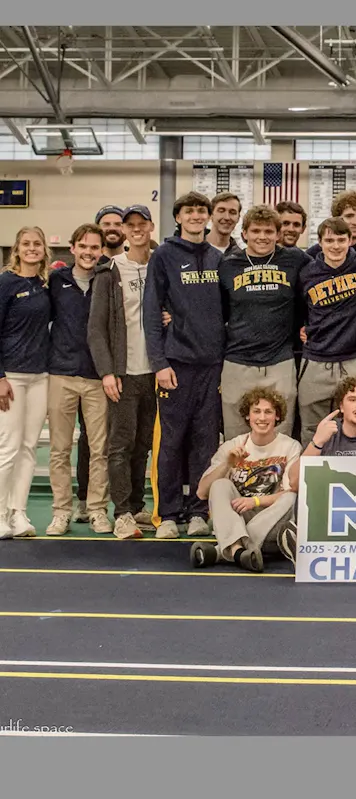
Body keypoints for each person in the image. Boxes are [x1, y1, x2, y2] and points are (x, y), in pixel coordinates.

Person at [144, 191, 224, 540]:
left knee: (205, 442)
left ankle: (198, 512)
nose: (195, 216)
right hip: (175, 364)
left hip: (212, 365)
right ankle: (168, 513)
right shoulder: (163, 256)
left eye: (200, 211)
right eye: (189, 211)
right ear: (178, 217)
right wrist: (159, 362)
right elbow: (151, 311)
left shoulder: (218, 257)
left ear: (208, 216)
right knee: (171, 442)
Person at [89, 205, 158, 538]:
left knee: (143, 444)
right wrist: (107, 372)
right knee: (121, 445)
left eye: (142, 223)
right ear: (125, 231)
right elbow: (96, 329)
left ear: (151, 226)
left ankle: (136, 504)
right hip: (123, 374)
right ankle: (122, 513)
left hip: (155, 373)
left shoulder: (160, 266)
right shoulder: (110, 271)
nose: (136, 229)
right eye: (130, 225)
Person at [217, 205, 309, 440]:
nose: (262, 237)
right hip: (238, 361)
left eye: (269, 231)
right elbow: (212, 307)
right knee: (236, 437)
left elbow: (326, 271)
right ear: (244, 233)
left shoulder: (294, 259)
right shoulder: (228, 264)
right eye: (256, 231)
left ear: (278, 235)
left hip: (280, 361)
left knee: (280, 435)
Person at [297, 217, 356, 444]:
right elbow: (296, 307)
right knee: (312, 427)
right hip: (315, 360)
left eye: (341, 240)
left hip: (352, 359)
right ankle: (313, 465)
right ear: (320, 243)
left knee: (355, 424)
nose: (336, 246)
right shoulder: (307, 272)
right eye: (329, 240)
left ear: (350, 240)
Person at [190, 387, 301, 572]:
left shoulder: (290, 446)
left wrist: (255, 501)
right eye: (256, 411)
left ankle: (225, 551)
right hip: (238, 518)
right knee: (220, 484)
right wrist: (227, 464)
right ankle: (240, 551)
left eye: (268, 412)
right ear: (248, 416)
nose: (262, 418)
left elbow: (291, 492)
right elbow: (202, 492)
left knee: (292, 497)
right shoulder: (232, 445)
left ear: (277, 416)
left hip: (271, 521)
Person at [45, 224, 111, 535]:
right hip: (61, 374)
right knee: (59, 449)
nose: (88, 252)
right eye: (83, 246)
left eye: (94, 247)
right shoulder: (56, 280)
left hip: (97, 377)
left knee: (99, 449)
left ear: (102, 251)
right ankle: (61, 511)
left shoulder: (107, 279)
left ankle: (97, 510)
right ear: (72, 248)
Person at [0, 226, 52, 539]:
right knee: (8, 446)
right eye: (26, 244)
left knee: (29, 447)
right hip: (11, 378)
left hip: (40, 376)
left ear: (44, 249)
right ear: (17, 249)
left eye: (37, 244)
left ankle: (18, 512)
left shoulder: (44, 285)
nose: (32, 248)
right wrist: (0, 377)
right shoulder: (5, 283)